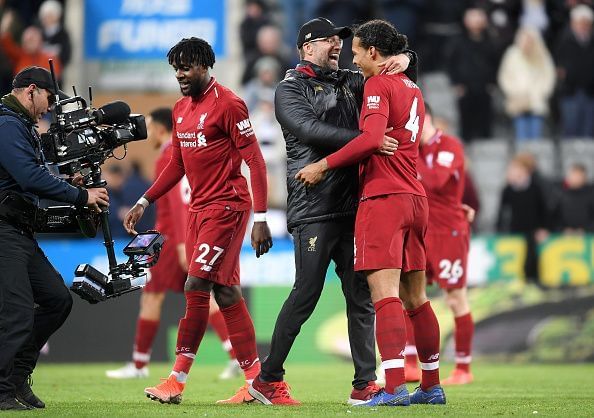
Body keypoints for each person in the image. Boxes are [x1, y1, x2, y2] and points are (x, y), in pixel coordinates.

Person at [246, 17, 413, 405]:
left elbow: (393, 73)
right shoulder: (289, 89)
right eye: (328, 41)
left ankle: (364, 384)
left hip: (355, 206)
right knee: (306, 294)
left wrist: (406, 57)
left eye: (340, 41)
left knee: (360, 296)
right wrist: (369, 140)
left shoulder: (351, 81)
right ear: (306, 47)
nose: (338, 46)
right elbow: (309, 130)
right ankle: (268, 379)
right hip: (314, 206)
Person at [293, 19, 445, 406]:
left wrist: (322, 166)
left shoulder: (377, 83)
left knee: (384, 296)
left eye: (358, 50)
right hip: (415, 196)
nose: (353, 56)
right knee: (417, 298)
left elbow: (373, 138)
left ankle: (393, 388)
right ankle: (431, 385)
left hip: (384, 198)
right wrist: (407, 58)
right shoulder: (411, 85)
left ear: (373, 53)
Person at [123, 37, 273, 405]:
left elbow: (255, 161)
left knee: (196, 283)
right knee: (225, 291)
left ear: (205, 66)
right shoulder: (180, 109)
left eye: (187, 67)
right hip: (198, 212)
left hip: (227, 207)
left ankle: (176, 380)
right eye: (176, 68)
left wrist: (262, 217)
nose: (181, 75)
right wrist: (145, 200)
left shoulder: (230, 105)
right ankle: (258, 381)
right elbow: (176, 165)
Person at [0, 66, 108, 410]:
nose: (49, 107)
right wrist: (81, 196)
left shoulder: (21, 126)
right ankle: (2, 389)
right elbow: (29, 177)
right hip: (3, 230)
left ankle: (17, 377)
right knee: (16, 313)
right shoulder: (6, 124)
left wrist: (71, 186)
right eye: (48, 98)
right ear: (31, 90)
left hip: (19, 230)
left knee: (57, 300)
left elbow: (30, 179)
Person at [106, 108, 241, 381]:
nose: (147, 132)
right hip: (180, 237)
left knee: (152, 296)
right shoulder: (176, 153)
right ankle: (235, 356)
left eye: (148, 125)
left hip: (171, 241)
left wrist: (182, 244)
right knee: (207, 295)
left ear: (159, 128)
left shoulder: (169, 156)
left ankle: (139, 365)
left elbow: (181, 204)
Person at [409, 103, 476, 385]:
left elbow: (436, 180)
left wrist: (408, 157)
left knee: (455, 297)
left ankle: (463, 369)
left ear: (426, 120)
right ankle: (410, 364)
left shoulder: (449, 145)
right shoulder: (418, 151)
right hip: (422, 232)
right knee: (411, 295)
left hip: (449, 233)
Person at [497, 26, 556, 141]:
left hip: (537, 100)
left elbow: (549, 76)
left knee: (536, 136)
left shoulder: (543, 54)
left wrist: (543, 92)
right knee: (521, 136)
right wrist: (514, 92)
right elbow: (504, 76)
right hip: (518, 100)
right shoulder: (512, 54)